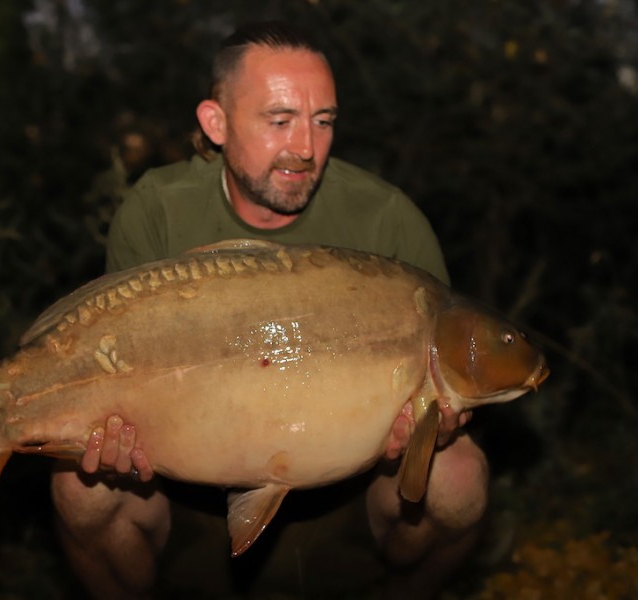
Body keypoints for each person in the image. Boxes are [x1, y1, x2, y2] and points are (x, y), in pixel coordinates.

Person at [51, 21, 487, 599]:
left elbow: (443, 377)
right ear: (216, 123)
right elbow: (119, 365)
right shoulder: (155, 210)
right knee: (80, 490)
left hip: (354, 491)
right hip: (185, 492)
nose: (306, 148)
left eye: (323, 121)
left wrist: (433, 422)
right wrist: (113, 434)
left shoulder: (388, 220)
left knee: (460, 479)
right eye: (279, 120)